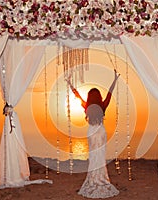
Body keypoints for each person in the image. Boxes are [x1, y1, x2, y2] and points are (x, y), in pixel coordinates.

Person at [66, 69, 120, 198]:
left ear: (90, 96)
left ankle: (93, 177)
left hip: (91, 131)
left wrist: (69, 83)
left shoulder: (87, 106)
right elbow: (110, 92)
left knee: (93, 155)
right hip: (101, 131)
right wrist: (115, 79)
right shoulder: (103, 105)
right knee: (100, 156)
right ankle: (101, 177)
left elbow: (77, 94)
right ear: (99, 96)